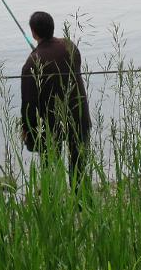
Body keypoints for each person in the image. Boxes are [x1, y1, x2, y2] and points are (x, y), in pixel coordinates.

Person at [20, 10, 91, 189]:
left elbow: (29, 103)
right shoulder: (70, 46)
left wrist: (28, 130)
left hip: (52, 124)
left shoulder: (32, 63)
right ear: (52, 28)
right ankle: (81, 205)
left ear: (34, 33)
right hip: (79, 116)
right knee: (79, 167)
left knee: (50, 167)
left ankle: (53, 204)